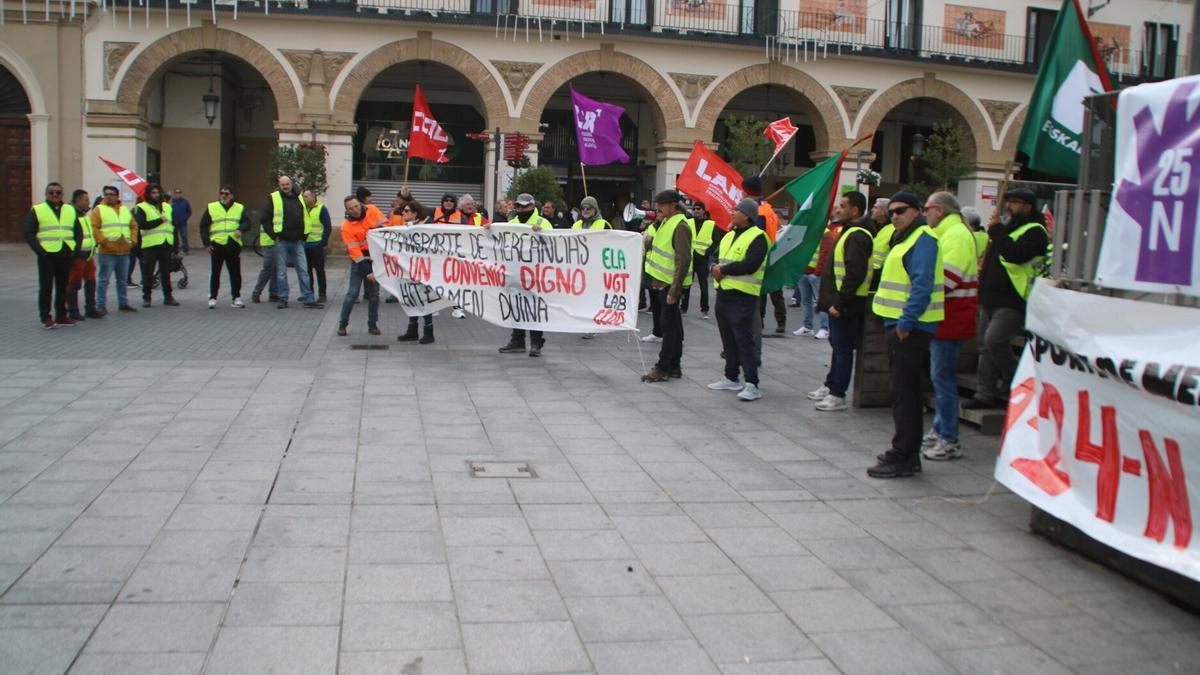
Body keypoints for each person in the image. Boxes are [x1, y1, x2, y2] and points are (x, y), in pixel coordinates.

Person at [867, 191, 944, 479]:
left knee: (905, 395)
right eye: (892, 212)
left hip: (909, 329)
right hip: (902, 326)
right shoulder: (906, 238)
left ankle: (904, 455)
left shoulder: (922, 239)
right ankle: (905, 452)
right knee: (904, 393)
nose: (895, 215)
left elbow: (922, 284)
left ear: (917, 211)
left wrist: (906, 322)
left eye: (901, 210)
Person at [963, 187, 1049, 410]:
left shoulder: (1035, 231)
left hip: (1013, 299)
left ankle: (1015, 380)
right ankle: (985, 392)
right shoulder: (1008, 228)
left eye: (1015, 203)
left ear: (1028, 207)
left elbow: (1014, 253)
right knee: (984, 346)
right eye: (1008, 201)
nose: (1009, 206)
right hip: (991, 297)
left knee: (995, 341)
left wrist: (998, 231)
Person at [921, 192, 978, 460]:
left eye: (927, 208)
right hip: (944, 316)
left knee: (942, 379)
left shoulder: (955, 235)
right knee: (939, 377)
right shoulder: (950, 232)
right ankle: (940, 428)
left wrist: (918, 290)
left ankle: (949, 437)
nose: (925, 214)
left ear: (940, 210)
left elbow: (946, 279)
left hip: (950, 317)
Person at [810, 191, 874, 412]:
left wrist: (839, 303)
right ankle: (831, 385)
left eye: (843, 206)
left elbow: (854, 274)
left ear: (854, 210)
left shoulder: (857, 235)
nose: (838, 209)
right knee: (838, 347)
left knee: (843, 348)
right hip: (840, 302)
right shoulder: (849, 232)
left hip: (847, 304)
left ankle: (838, 394)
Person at [708, 198, 768, 401]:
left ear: (747, 215)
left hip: (743, 296)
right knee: (728, 340)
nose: (732, 213)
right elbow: (714, 256)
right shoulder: (728, 235)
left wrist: (722, 270)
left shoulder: (759, 237)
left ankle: (752, 383)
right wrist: (713, 267)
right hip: (723, 293)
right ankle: (731, 377)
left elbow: (750, 264)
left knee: (744, 340)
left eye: (736, 210)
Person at [640, 190, 693, 382]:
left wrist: (674, 290)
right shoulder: (666, 222)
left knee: (669, 328)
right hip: (662, 283)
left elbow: (683, 259)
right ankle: (674, 366)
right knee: (674, 328)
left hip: (670, 285)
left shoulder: (679, 225)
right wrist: (649, 242)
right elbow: (664, 249)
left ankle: (662, 367)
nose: (657, 208)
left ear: (673, 205)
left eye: (661, 205)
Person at [494, 193, 551, 356]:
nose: (521, 209)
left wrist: (542, 235)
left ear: (533, 206)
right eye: (519, 206)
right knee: (515, 305)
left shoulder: (543, 222)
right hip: (515, 272)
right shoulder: (512, 223)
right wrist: (489, 231)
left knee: (534, 307)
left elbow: (555, 246)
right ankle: (517, 340)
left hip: (536, 273)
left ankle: (536, 343)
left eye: (525, 206)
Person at [25, 182, 83, 328]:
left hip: (66, 252)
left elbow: (78, 231)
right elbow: (28, 233)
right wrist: (40, 251)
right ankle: (46, 317)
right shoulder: (38, 210)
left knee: (63, 286)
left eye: (58, 192)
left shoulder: (70, 210)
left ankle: (62, 316)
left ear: (62, 194)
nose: (55, 195)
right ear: (46, 194)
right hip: (47, 254)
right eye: (51, 192)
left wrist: (75, 248)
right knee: (46, 287)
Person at [262, 175, 322, 309]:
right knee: (281, 272)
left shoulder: (300, 197)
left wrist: (304, 235)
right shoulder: (274, 198)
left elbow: (306, 217)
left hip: (298, 241)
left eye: (287, 184)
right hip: (282, 240)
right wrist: (273, 235)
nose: (285, 186)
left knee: (303, 271)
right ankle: (283, 298)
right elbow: (265, 218)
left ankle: (308, 298)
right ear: (279, 185)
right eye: (282, 184)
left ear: (291, 183)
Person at [742, 176, 786, 335]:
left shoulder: (758, 212)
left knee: (760, 292)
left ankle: (758, 322)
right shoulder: (768, 208)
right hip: (773, 252)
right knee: (775, 291)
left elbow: (756, 235)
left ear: (747, 192)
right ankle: (781, 321)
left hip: (762, 255)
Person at [199, 185, 253, 309]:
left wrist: (241, 229)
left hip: (233, 243)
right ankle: (212, 297)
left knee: (235, 273)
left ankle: (236, 297)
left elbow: (247, 222)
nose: (224, 195)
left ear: (232, 196)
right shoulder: (212, 207)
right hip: (217, 244)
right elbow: (203, 225)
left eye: (227, 193)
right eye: (222, 193)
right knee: (215, 272)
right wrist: (206, 243)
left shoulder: (239, 207)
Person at [337, 195, 382, 337]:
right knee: (352, 293)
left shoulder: (373, 210)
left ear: (360, 204)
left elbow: (386, 229)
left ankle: (372, 324)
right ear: (347, 211)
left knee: (374, 295)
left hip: (375, 258)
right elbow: (354, 252)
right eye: (351, 208)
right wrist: (368, 272)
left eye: (356, 206)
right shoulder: (346, 227)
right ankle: (342, 324)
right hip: (359, 261)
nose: (355, 210)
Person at [91, 184, 138, 315]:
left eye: (112, 194)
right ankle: (101, 304)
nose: (109, 197)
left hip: (124, 251)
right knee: (104, 280)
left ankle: (123, 303)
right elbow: (94, 227)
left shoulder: (124, 209)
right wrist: (103, 241)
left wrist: (133, 241)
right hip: (107, 251)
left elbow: (133, 226)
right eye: (106, 194)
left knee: (122, 280)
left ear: (117, 196)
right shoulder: (98, 209)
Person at [395, 200, 436, 344]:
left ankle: (428, 332)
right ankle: (412, 330)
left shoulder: (426, 227)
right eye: (403, 211)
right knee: (411, 297)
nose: (403, 213)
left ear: (415, 213)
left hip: (424, 270)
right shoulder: (408, 227)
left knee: (424, 299)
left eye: (406, 211)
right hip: (410, 269)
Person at [133, 183, 179, 307]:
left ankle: (168, 296)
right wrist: (159, 220)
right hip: (150, 245)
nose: (156, 195)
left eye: (158, 192)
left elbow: (173, 227)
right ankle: (147, 297)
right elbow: (141, 224)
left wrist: (175, 245)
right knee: (148, 273)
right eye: (153, 193)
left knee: (166, 272)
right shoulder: (141, 207)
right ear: (148, 194)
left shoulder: (167, 207)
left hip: (165, 243)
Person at [792, 219, 839, 339]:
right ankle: (807, 327)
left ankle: (825, 328)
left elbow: (825, 254)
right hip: (804, 272)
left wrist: (817, 273)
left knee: (821, 301)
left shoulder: (826, 234)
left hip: (815, 274)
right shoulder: (809, 232)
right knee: (806, 301)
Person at [67, 189, 101, 320]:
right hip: (78, 255)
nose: (89, 203)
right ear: (78, 200)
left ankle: (90, 308)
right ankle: (73, 310)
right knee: (74, 283)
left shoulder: (84, 215)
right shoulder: (72, 215)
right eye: (86, 200)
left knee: (91, 282)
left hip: (88, 254)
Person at [681, 200, 717, 319]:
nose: (696, 211)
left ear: (703, 211)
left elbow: (715, 240)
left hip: (703, 258)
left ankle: (705, 310)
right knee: (686, 284)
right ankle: (683, 307)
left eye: (698, 209)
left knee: (703, 285)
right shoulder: (688, 222)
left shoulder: (710, 224)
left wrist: (707, 252)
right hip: (690, 257)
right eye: (694, 209)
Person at [302, 189, 332, 303]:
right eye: (304, 196)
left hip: (317, 246)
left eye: (306, 196)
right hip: (305, 246)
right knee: (307, 271)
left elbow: (327, 227)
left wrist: (322, 242)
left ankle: (322, 294)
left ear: (313, 198)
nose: (304, 198)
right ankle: (308, 293)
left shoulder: (321, 209)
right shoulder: (303, 209)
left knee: (320, 271)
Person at [250, 204, 279, 304]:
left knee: (276, 268)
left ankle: (273, 294)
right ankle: (256, 292)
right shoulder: (270, 210)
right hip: (269, 242)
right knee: (268, 268)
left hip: (275, 242)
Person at [870, 197, 894, 273]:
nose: (872, 210)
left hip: (879, 273)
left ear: (884, 212)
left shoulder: (892, 229)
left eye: (875, 207)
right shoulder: (873, 227)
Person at [170, 187, 192, 255]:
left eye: (179, 192)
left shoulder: (185, 202)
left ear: (181, 193)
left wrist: (185, 218)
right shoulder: (172, 202)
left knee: (184, 236)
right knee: (174, 237)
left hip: (183, 223)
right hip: (174, 222)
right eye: (176, 192)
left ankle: (186, 250)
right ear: (174, 194)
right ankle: (175, 250)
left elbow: (189, 211)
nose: (178, 194)